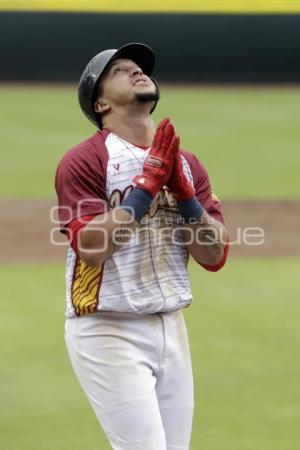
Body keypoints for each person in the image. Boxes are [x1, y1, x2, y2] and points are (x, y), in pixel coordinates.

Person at [55, 42, 229, 450]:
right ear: (99, 103)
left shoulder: (187, 163)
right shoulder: (85, 160)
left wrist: (186, 197)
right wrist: (145, 189)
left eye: (138, 67)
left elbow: (214, 255)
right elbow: (90, 246)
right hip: (107, 327)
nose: (136, 71)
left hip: (172, 326)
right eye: (119, 70)